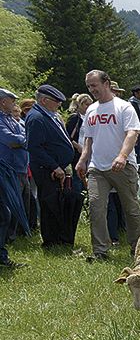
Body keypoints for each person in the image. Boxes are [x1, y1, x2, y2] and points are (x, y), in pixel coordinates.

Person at [75, 70, 140, 262]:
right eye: (89, 86)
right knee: (96, 207)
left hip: (123, 165)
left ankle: (137, 246)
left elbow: (132, 134)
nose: (91, 89)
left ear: (106, 83)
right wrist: (83, 159)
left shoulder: (124, 107)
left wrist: (122, 156)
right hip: (97, 167)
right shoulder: (91, 110)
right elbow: (89, 138)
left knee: (130, 208)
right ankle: (100, 251)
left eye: (94, 85)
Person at [25, 84, 81, 250]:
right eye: (55, 101)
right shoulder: (36, 118)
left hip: (57, 168)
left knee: (58, 202)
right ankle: (51, 241)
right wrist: (54, 166)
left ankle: (59, 238)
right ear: (44, 100)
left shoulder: (49, 115)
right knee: (49, 204)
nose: (59, 104)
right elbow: (34, 147)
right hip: (46, 169)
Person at [0, 88, 27, 268]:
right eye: (12, 100)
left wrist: (23, 139)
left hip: (14, 169)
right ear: (3, 101)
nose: (15, 103)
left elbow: (21, 136)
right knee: (5, 214)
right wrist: (25, 140)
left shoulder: (9, 118)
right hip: (4, 170)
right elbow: (11, 140)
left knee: (7, 213)